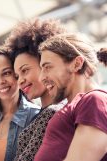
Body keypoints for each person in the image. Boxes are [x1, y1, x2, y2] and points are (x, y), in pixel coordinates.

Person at [35, 33, 107, 161]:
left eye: (47, 67)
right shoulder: (79, 105)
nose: (41, 78)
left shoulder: (95, 100)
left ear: (77, 64)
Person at [5, 18, 66, 161]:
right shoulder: (41, 112)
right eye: (17, 76)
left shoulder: (53, 112)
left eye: (25, 70)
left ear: (46, 63)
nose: (20, 81)